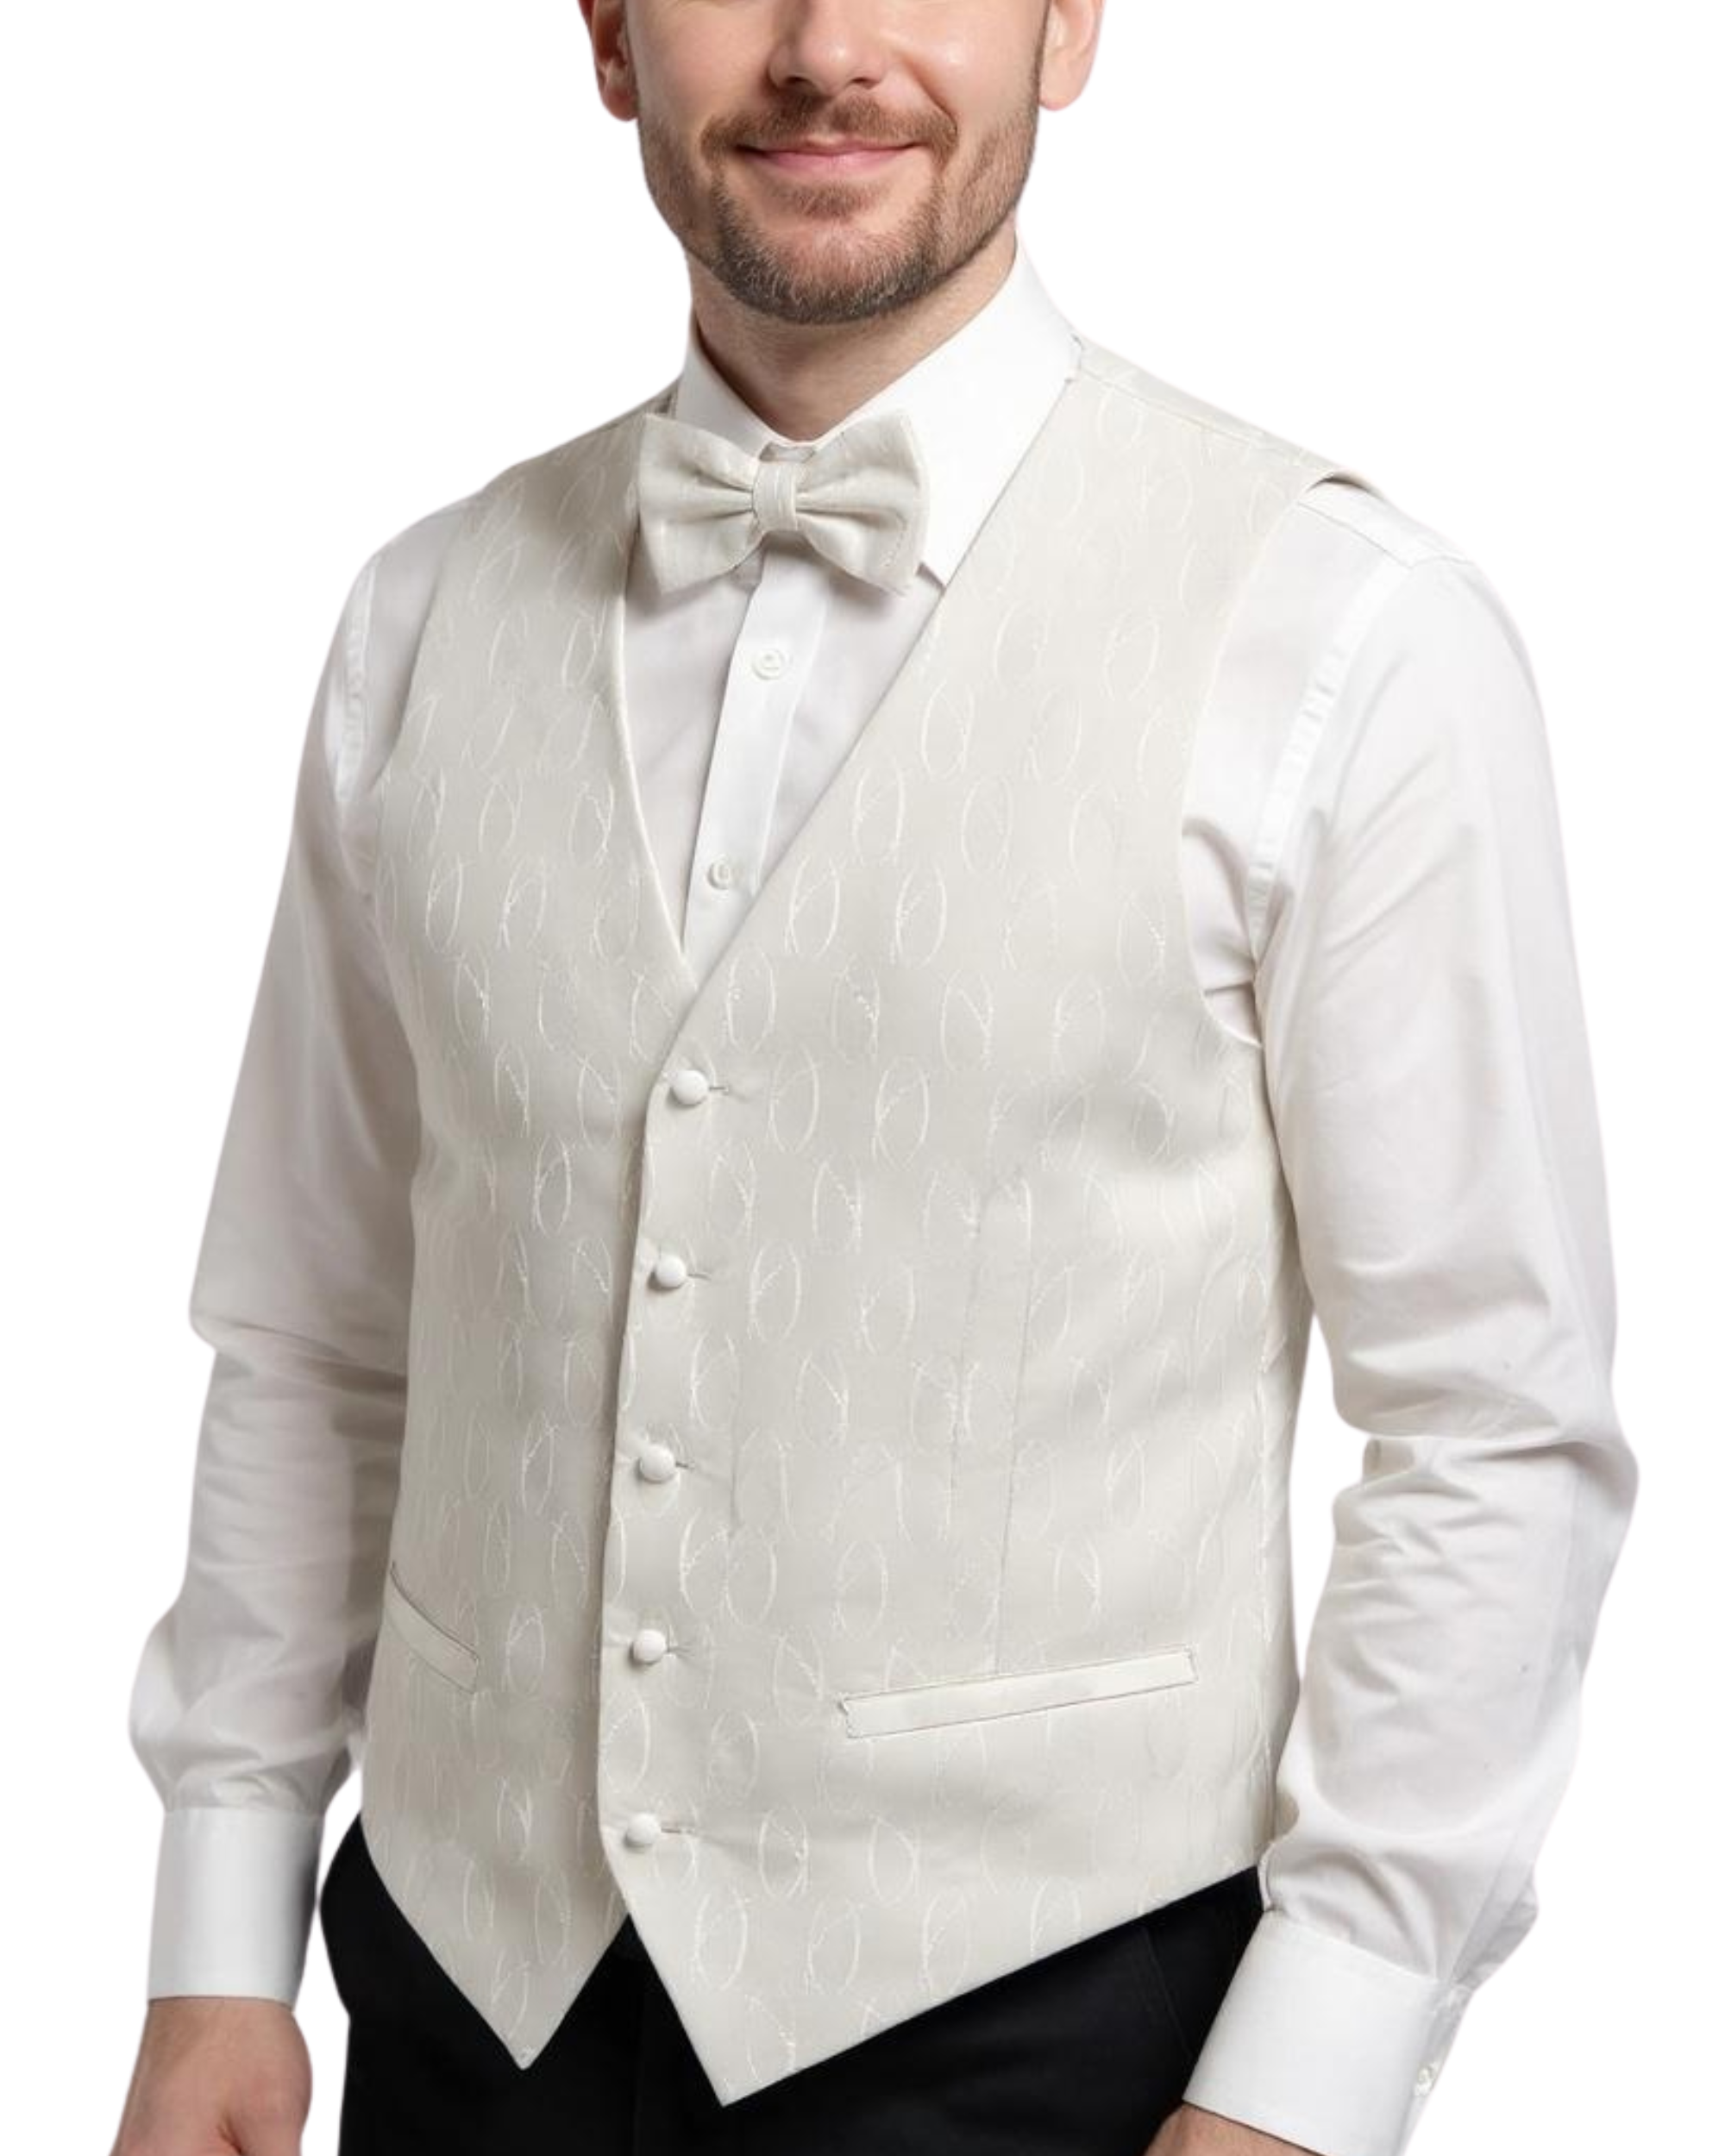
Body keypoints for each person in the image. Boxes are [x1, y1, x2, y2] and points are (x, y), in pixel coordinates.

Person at [110, 4, 1639, 2154]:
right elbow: (313, 1332)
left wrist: (1312, 2073)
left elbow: (1486, 1416)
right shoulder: (420, 617)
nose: (830, 46)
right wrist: (216, 1937)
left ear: (1067, 24)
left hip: (1062, 2033)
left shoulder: (1344, 634)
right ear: (607, 35)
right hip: (466, 2003)